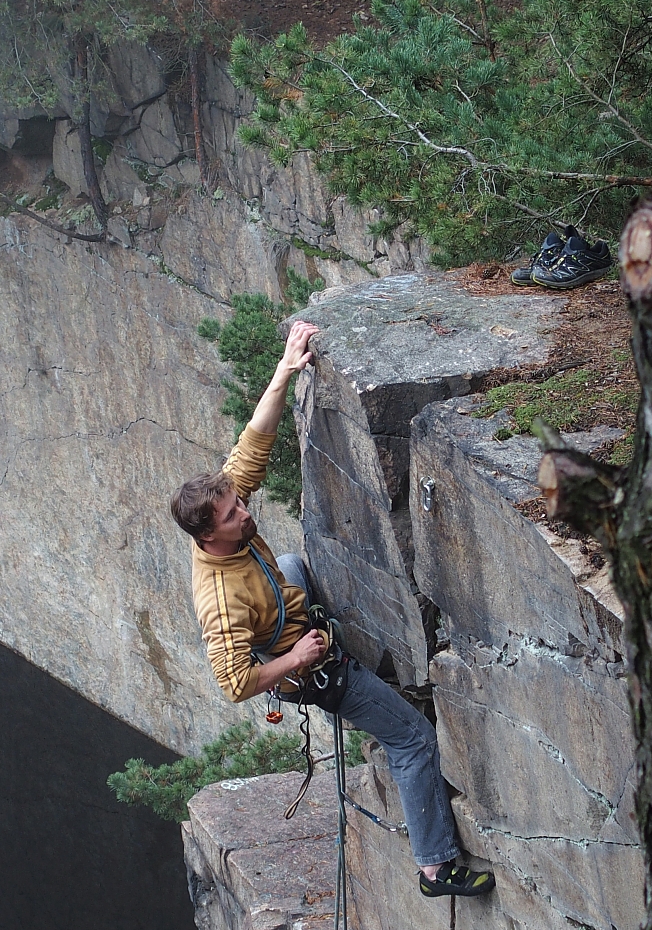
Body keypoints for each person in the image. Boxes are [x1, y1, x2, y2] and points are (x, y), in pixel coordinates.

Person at [170, 318, 495, 898]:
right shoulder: (222, 599)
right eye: (232, 516)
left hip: (288, 617)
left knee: (291, 563)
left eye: (240, 504)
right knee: (413, 738)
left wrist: (286, 366)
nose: (245, 513)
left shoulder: (228, 517)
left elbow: (253, 443)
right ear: (208, 538)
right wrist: (295, 658)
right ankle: (435, 867)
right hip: (314, 672)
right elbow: (233, 682)